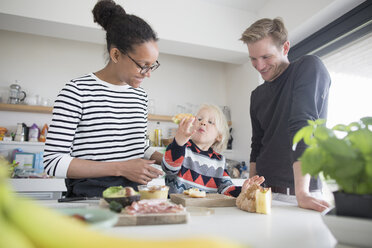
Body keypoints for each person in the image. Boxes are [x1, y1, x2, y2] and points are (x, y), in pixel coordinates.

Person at [43, 0, 163, 197]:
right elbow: (53, 162)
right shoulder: (77, 91)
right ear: (116, 54)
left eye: (152, 65)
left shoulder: (140, 96)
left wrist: (169, 159)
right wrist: (121, 168)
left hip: (134, 194)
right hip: (90, 195)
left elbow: (139, 147)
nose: (148, 73)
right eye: (143, 65)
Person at [240, 18, 331, 212]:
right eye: (253, 59)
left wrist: (302, 193)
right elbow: (257, 145)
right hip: (264, 193)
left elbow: (303, 126)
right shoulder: (256, 96)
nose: (259, 65)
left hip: (299, 195)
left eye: (266, 56)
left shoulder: (308, 67)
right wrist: (250, 187)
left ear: (285, 47)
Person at [162, 104, 265, 197]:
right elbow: (169, 168)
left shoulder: (219, 161)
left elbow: (225, 188)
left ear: (219, 136)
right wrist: (179, 142)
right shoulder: (181, 148)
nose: (203, 123)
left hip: (205, 212)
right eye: (199, 119)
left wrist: (242, 190)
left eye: (210, 122)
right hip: (178, 210)